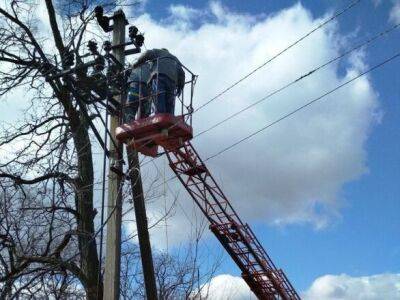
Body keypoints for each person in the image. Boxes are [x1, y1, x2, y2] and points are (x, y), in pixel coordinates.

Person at [133, 48, 185, 115]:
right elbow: (182, 73)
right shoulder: (175, 58)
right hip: (172, 81)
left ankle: (159, 115)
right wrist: (180, 87)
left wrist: (137, 63)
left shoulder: (158, 52)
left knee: (159, 96)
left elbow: (147, 53)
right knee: (169, 100)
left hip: (159, 76)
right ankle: (169, 116)